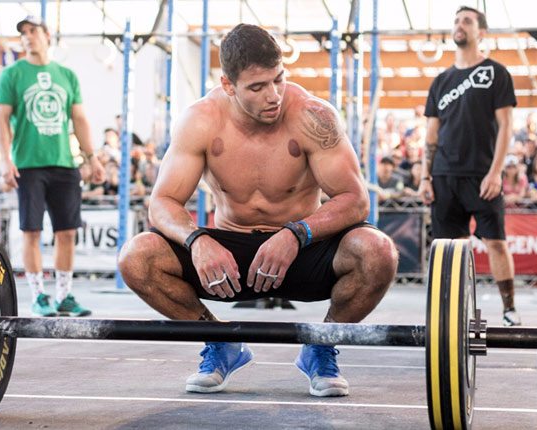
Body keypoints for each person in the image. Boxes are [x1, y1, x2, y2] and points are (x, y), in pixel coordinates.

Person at [117, 24, 397, 397]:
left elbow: (355, 198)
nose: (274, 96)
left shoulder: (312, 116)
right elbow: (162, 202)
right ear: (228, 84)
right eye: (257, 87)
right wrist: (198, 239)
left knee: (378, 252)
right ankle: (219, 342)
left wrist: (297, 233)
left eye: (278, 80)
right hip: (230, 260)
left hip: (302, 251)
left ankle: (321, 346)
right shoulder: (201, 120)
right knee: (136, 258)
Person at [0, 15, 105, 317]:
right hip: (29, 165)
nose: (27, 37)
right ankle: (39, 295)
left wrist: (91, 157)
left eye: (33, 31)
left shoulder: (66, 75)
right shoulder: (12, 75)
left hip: (63, 164)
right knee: (31, 231)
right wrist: (5, 159)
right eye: (23, 33)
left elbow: (80, 119)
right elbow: (2, 120)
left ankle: (65, 296)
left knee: (67, 232)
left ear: (47, 35)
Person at [419, 6, 521, 326]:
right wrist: (425, 176)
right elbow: (431, 133)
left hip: (482, 176)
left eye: (467, 21)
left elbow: (506, 126)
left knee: (496, 243)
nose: (459, 25)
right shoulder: (441, 81)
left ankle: (509, 309)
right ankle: (455, 315)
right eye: (456, 21)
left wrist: (495, 172)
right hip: (444, 176)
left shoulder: (496, 73)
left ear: (482, 32)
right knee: (451, 251)